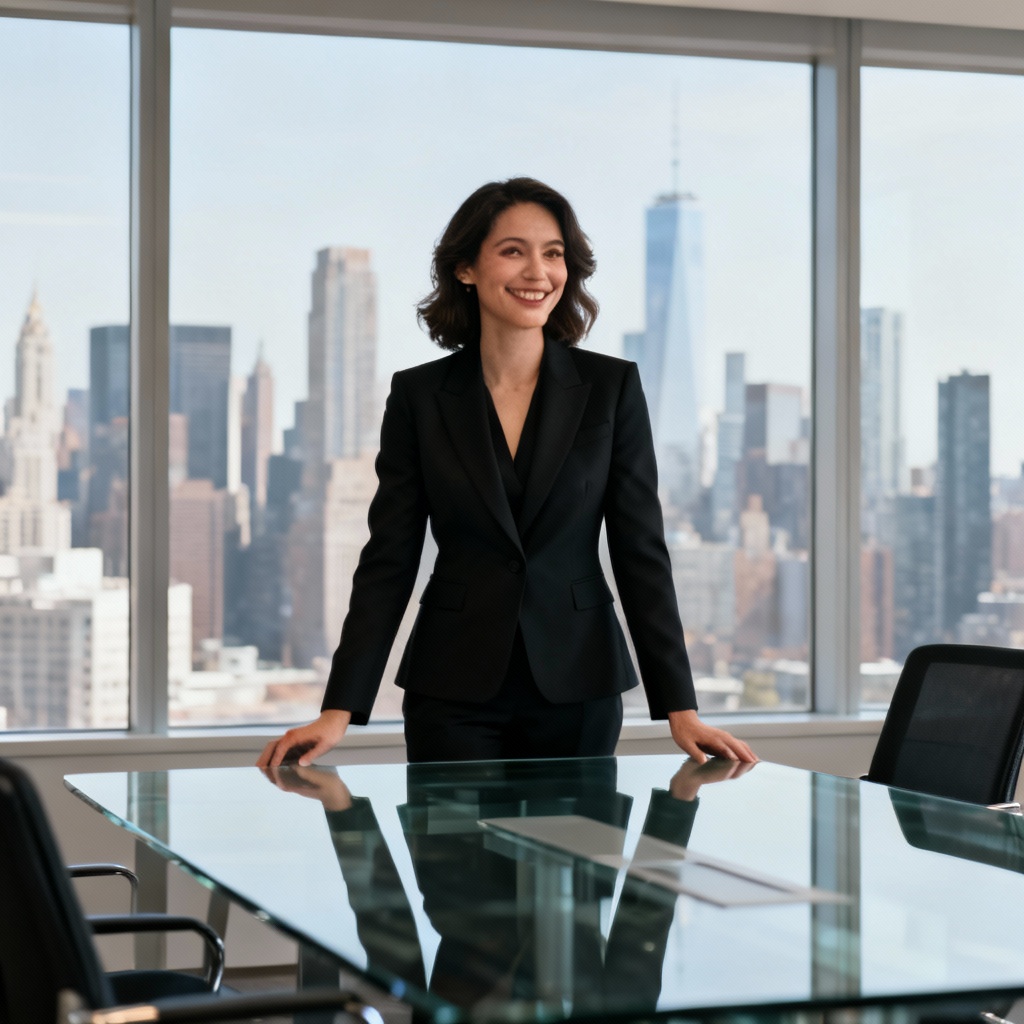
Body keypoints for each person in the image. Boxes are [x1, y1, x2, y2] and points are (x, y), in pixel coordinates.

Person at [258, 177, 756, 769]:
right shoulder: (419, 396)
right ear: (466, 268)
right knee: (449, 834)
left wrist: (680, 707)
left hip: (580, 682)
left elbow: (640, 552)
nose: (538, 272)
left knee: (580, 834)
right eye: (513, 251)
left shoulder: (611, 388)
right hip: (451, 686)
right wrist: (339, 708)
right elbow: (389, 559)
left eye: (554, 253)